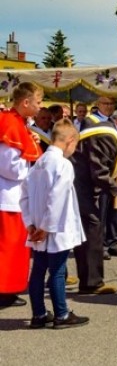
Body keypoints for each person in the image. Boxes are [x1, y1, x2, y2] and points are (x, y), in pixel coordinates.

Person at [22, 118, 89, 329]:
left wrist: (31, 223)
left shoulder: (38, 163)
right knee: (58, 270)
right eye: (75, 144)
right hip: (56, 226)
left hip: (38, 225)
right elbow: (57, 197)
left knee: (38, 270)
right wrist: (46, 227)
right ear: (69, 140)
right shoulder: (63, 164)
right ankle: (61, 313)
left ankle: (39, 313)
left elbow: (24, 196)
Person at [71, 107, 117, 295]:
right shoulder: (106, 134)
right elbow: (99, 171)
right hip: (79, 187)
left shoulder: (109, 133)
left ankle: (89, 281)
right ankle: (91, 283)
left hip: (81, 186)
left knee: (89, 231)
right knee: (92, 230)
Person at [0, 82, 44, 309]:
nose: (40, 107)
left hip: (14, 196)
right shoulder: (10, 123)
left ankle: (9, 290)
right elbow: (8, 166)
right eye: (37, 102)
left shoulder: (18, 122)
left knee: (17, 248)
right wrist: (28, 159)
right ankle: (3, 292)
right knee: (7, 248)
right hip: (7, 195)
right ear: (25, 102)